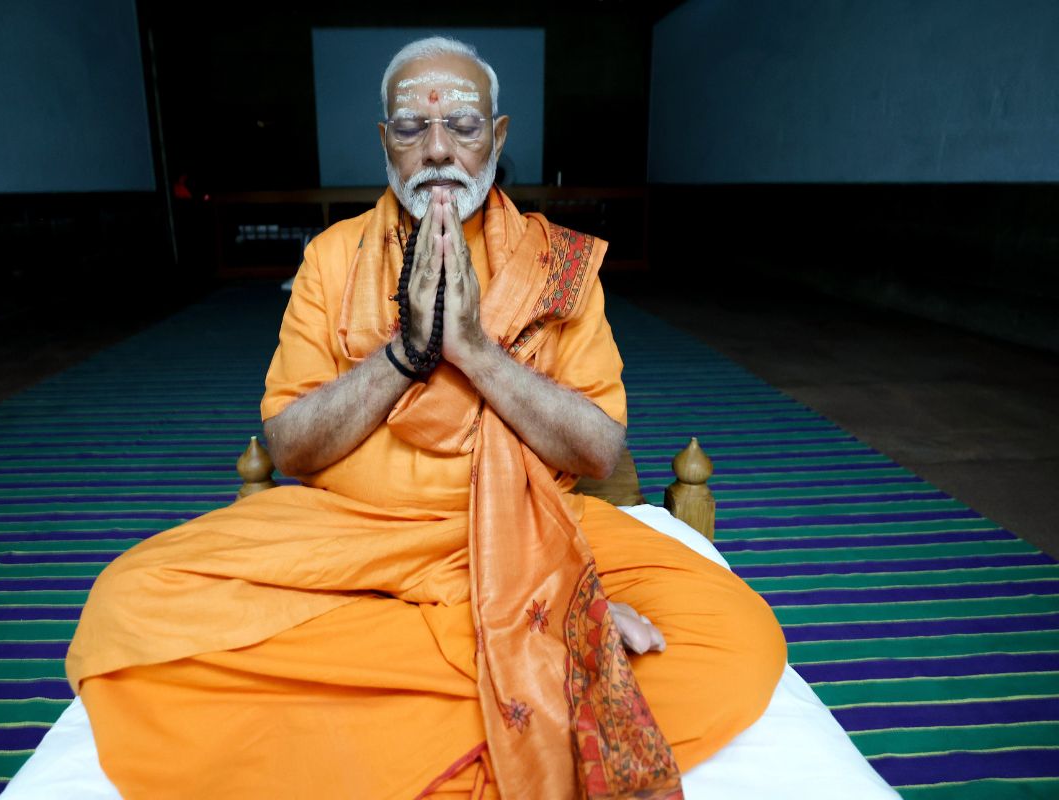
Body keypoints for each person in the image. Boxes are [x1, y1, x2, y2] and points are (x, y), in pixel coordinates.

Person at [66, 36, 786, 799]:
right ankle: (516, 671)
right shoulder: (333, 259)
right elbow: (291, 447)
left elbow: (601, 449)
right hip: (353, 532)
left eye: (464, 126)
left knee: (735, 641)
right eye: (411, 129)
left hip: (536, 531)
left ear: (498, 138)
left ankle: (417, 694)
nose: (437, 149)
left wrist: (476, 352)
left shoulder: (560, 264)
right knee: (128, 602)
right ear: (385, 142)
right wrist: (406, 352)